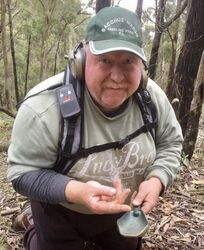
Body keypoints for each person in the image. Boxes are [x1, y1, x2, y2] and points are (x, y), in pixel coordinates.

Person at [7, 6, 183, 250]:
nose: (117, 76)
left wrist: (157, 179)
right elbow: (22, 173)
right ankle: (31, 221)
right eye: (105, 60)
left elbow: (171, 143)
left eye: (128, 62)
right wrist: (76, 191)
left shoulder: (152, 99)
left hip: (121, 208)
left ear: (141, 67)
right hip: (60, 207)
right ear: (81, 60)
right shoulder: (44, 107)